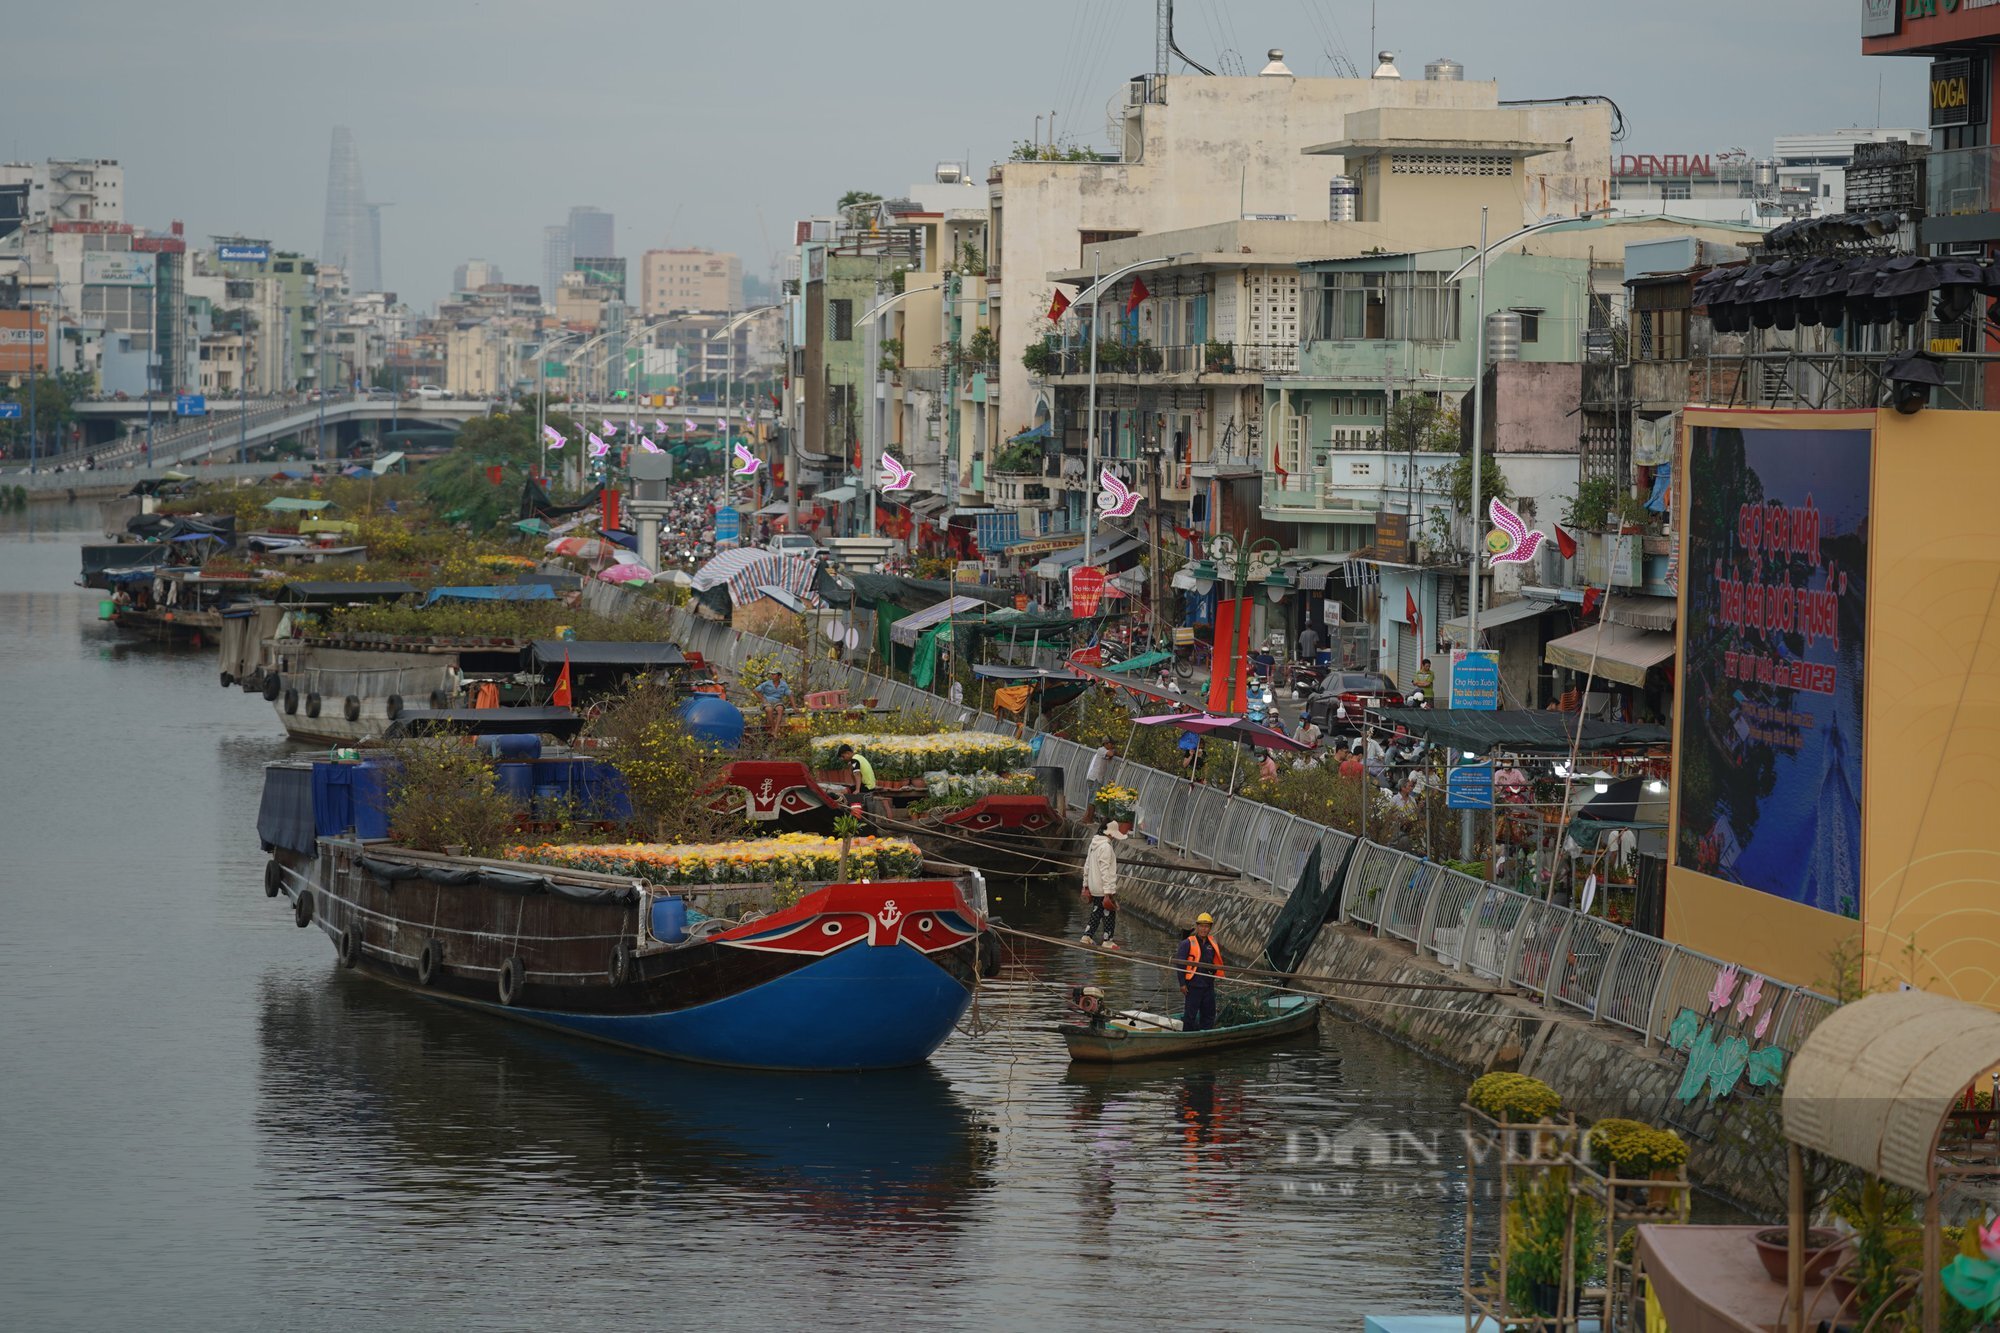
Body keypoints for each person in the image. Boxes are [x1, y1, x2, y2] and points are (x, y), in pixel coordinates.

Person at [1176, 912, 1225, 1032]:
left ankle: (1205, 1035)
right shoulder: (1187, 943)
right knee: (1190, 1015)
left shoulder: (1211, 944)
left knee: (1209, 1013)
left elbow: (1213, 962)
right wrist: (1182, 984)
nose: (1204, 929)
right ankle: (1187, 1036)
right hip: (1193, 985)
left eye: (1207, 926)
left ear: (1210, 928)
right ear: (1197, 927)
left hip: (1208, 985)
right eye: (1202, 926)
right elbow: (1180, 964)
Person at [1079, 816, 1122, 950]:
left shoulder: (1094, 844)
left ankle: (1087, 936)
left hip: (1093, 885)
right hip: (1103, 887)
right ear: (1109, 833)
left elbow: (1087, 865)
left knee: (1097, 911)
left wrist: (1085, 884)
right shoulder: (1106, 847)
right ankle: (1107, 940)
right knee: (1109, 912)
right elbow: (1106, 871)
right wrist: (1109, 891)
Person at [755, 668, 792, 735]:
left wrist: (794, 706)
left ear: (779, 676)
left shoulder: (783, 684)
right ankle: (773, 728)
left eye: (774, 674)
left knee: (780, 709)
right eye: (771, 674)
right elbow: (755, 690)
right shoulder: (767, 683)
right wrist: (763, 699)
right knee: (769, 709)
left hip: (778, 701)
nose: (772, 676)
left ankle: (776, 730)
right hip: (767, 701)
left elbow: (790, 694)